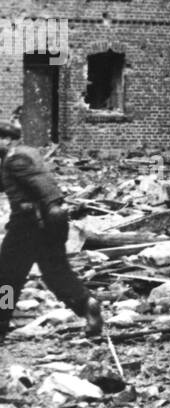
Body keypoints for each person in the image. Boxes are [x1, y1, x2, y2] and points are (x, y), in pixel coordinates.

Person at [0, 121, 103, 343]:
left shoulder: (15, 160)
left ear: (8, 140)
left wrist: (50, 208)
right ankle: (87, 303)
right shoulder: (26, 154)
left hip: (28, 224)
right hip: (47, 223)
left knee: (6, 277)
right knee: (55, 272)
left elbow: (44, 187)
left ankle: (0, 323)